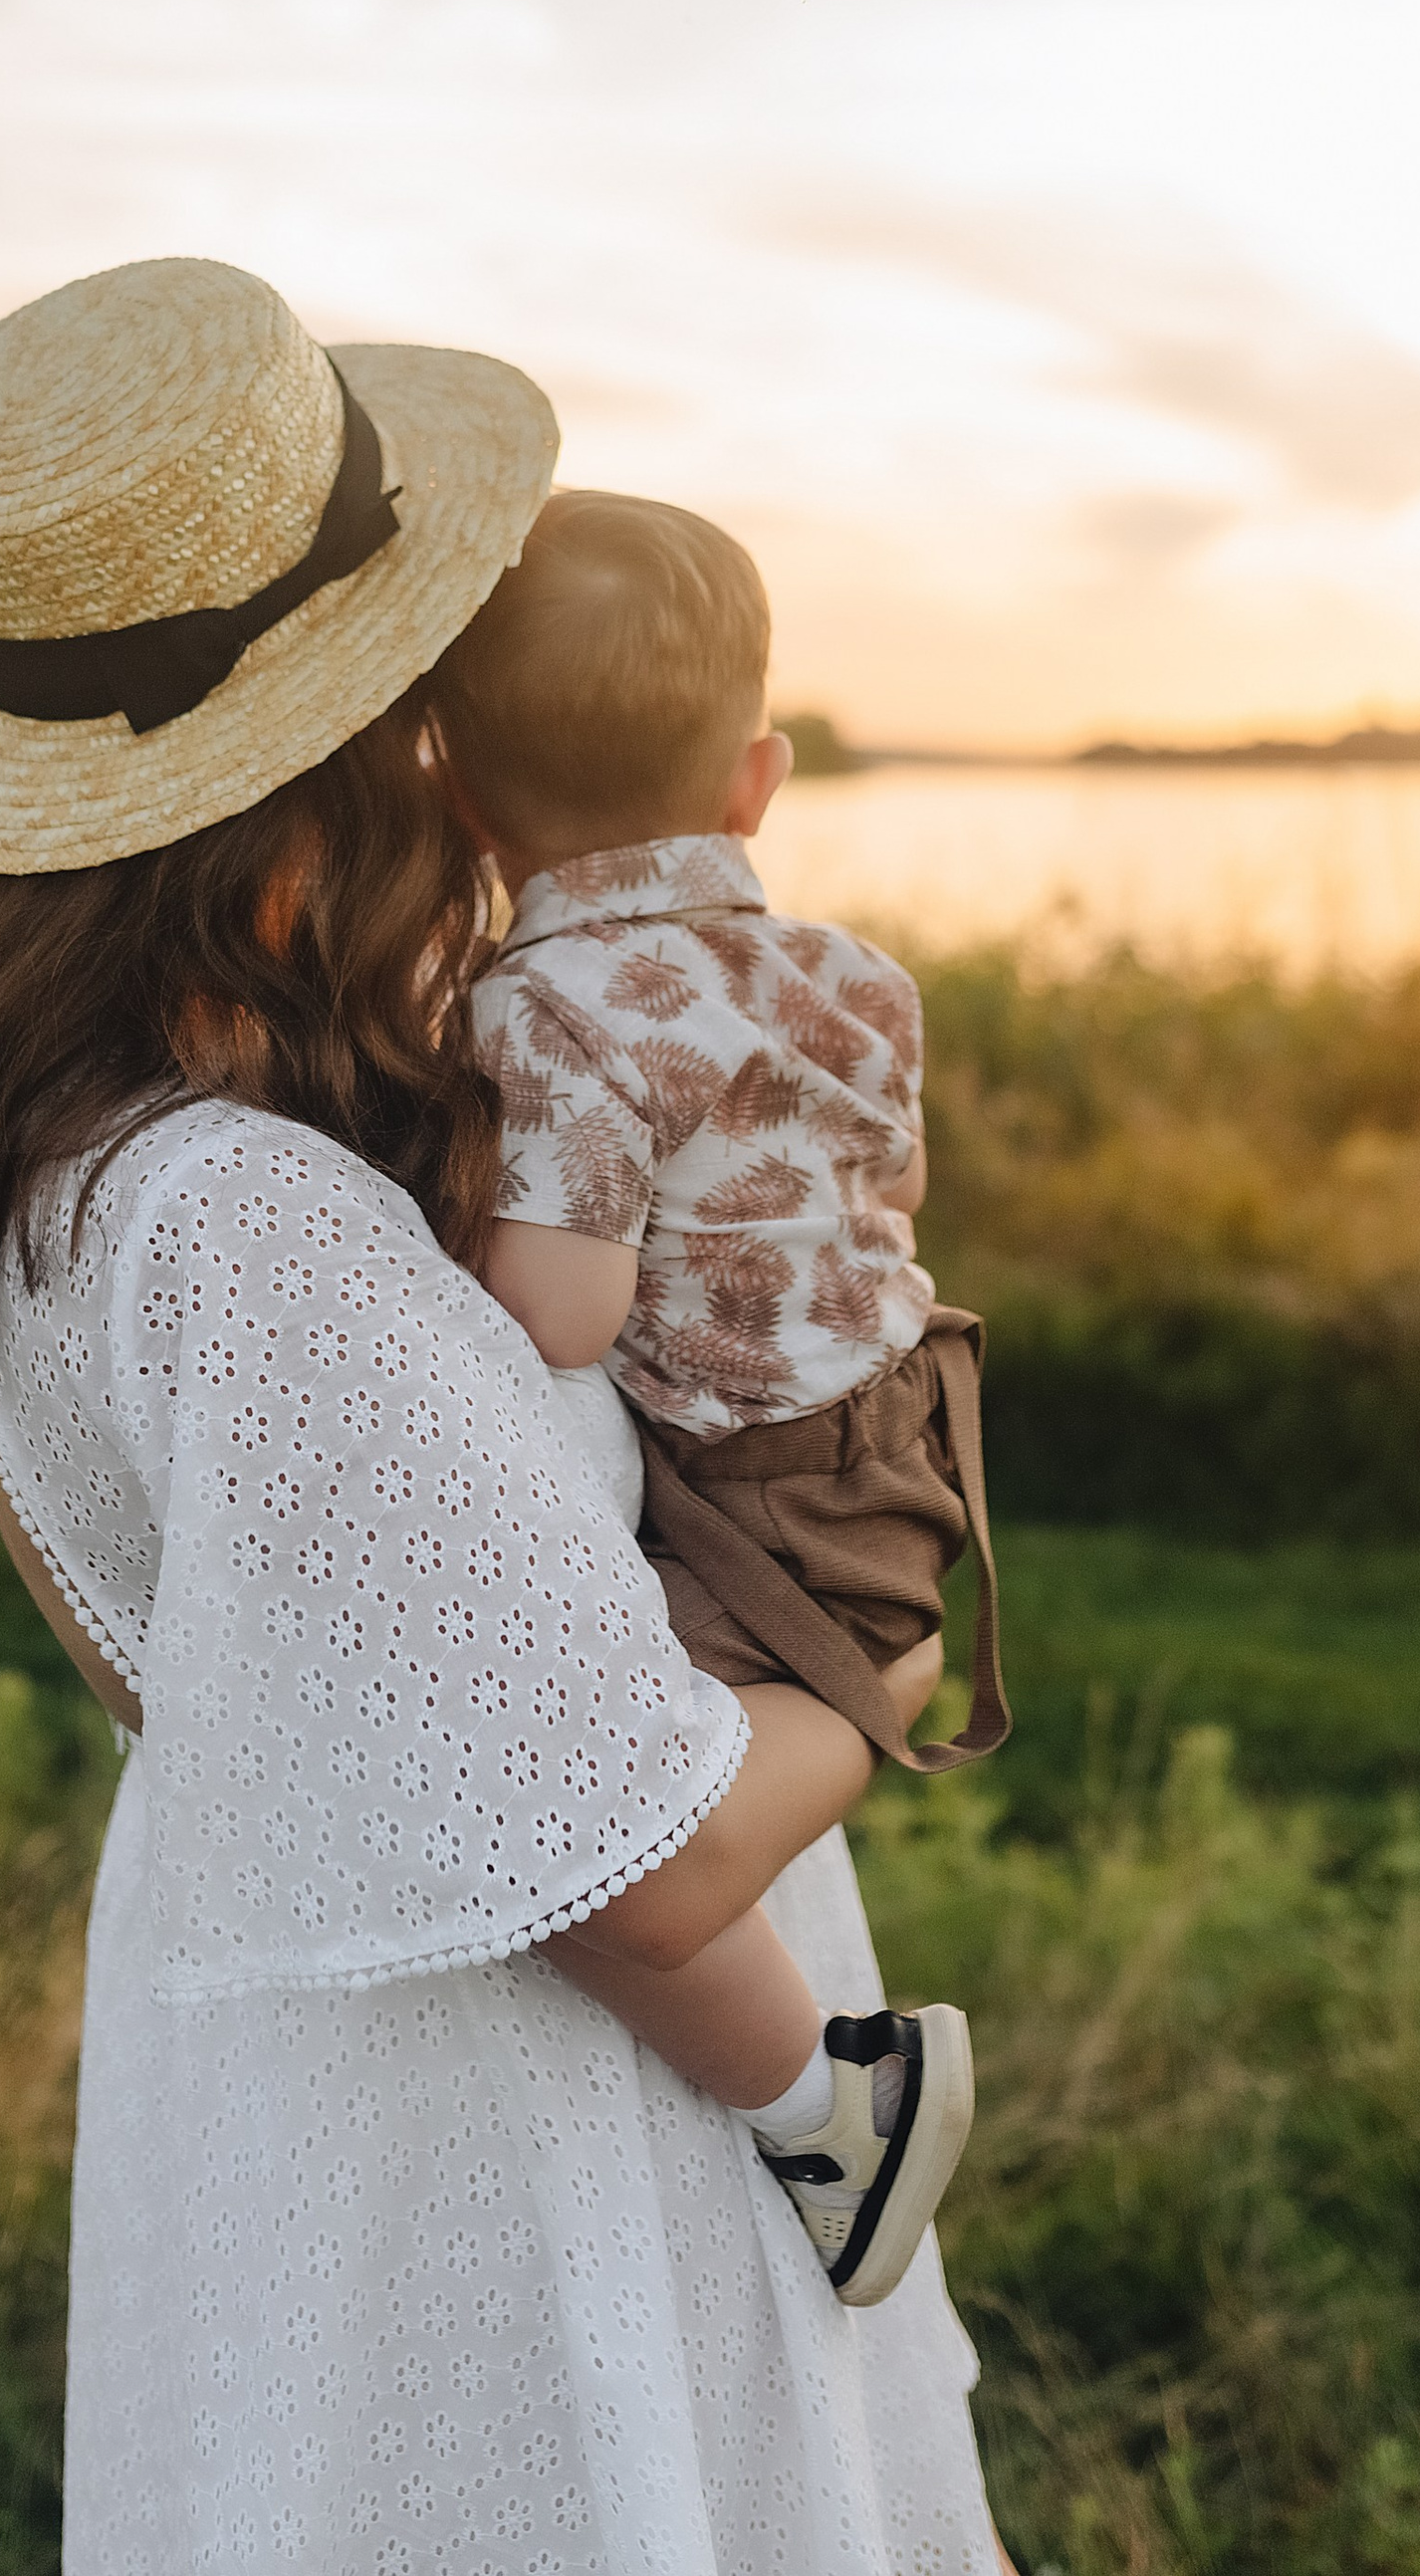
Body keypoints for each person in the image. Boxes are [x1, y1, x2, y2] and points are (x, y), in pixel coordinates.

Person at [0, 257, 1007, 2576]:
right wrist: (890, 1660)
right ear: (364, 746)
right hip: (516, 2156)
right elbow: (637, 1855)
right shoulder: (252, 1230)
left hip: (393, 2062)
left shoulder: (100, 1152)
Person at [433, 492, 1009, 2303]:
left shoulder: (544, 1009)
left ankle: (840, 2099)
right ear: (756, 780)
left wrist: (440, 1220)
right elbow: (882, 1208)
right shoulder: (860, 975)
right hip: (905, 1437)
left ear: (459, 802)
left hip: (751, 1495)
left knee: (575, 1806)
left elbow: (569, 1309)